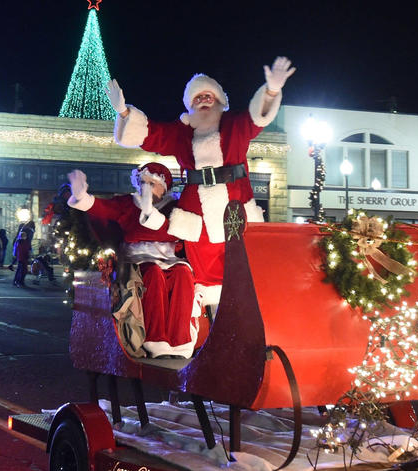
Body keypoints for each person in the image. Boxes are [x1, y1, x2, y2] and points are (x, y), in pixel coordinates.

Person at [107, 56, 294, 309]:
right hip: (198, 213)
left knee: (239, 262)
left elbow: (257, 118)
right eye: (198, 98)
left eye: (209, 96)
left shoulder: (234, 124)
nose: (204, 101)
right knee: (203, 271)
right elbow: (152, 134)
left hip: (234, 206)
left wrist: (271, 91)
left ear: (219, 100)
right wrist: (124, 112)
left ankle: (242, 318)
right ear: (190, 105)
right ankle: (204, 324)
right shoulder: (181, 133)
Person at [67, 163, 198, 358]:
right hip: (138, 258)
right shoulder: (129, 204)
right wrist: (82, 197)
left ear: (164, 186)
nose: (145, 187)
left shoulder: (174, 207)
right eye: (142, 182)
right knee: (153, 274)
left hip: (170, 258)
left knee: (183, 275)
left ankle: (180, 341)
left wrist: (152, 214)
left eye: (151, 183)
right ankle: (156, 340)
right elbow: (103, 208)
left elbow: (175, 231)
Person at [12, 220, 35, 287]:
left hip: (21, 257)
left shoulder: (20, 238)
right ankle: (19, 281)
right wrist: (29, 253)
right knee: (22, 270)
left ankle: (17, 281)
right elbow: (25, 248)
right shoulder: (25, 240)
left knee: (20, 269)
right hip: (23, 257)